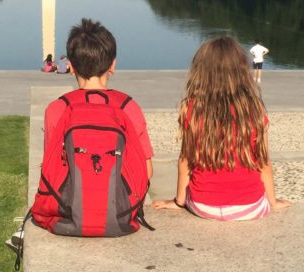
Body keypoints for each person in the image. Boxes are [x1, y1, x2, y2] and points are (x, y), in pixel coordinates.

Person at [33, 18, 154, 236]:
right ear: (113, 65)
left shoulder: (57, 109)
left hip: (68, 212)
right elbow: (147, 171)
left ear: (70, 66)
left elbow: (51, 168)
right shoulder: (129, 107)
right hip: (121, 213)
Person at [152, 37, 289, 220]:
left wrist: (178, 202)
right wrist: (273, 202)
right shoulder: (255, 108)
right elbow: (264, 162)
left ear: (200, 71)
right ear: (241, 71)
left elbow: (186, 160)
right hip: (250, 206)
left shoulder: (192, 108)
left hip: (203, 205)